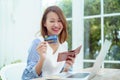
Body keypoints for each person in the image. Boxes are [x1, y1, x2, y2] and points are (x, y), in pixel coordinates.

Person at [22, 5, 75, 80]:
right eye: (52, 21)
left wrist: (66, 68)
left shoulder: (64, 44)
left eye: (59, 21)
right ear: (45, 23)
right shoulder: (37, 43)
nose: (56, 25)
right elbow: (27, 77)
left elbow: (60, 75)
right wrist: (42, 59)